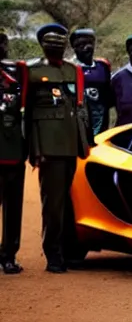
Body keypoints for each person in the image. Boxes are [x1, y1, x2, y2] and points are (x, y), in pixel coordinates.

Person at [25, 23, 90, 273]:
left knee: (67, 203)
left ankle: (65, 250)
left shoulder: (74, 71)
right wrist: (35, 149)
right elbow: (28, 115)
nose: (57, 47)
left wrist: (84, 142)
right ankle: (52, 253)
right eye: (52, 43)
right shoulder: (33, 72)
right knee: (52, 204)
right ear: (43, 45)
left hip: (71, 143)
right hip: (49, 146)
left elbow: (80, 107)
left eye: (61, 43)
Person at [0, 29, 28, 274]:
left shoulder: (16, 73)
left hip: (14, 151)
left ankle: (9, 255)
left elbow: (25, 112)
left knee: (13, 209)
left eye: (3, 42)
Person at [69, 28, 112, 139]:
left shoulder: (103, 66)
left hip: (101, 126)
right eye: (81, 44)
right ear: (74, 47)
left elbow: (109, 97)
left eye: (89, 43)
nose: (87, 47)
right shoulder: (69, 69)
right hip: (77, 129)